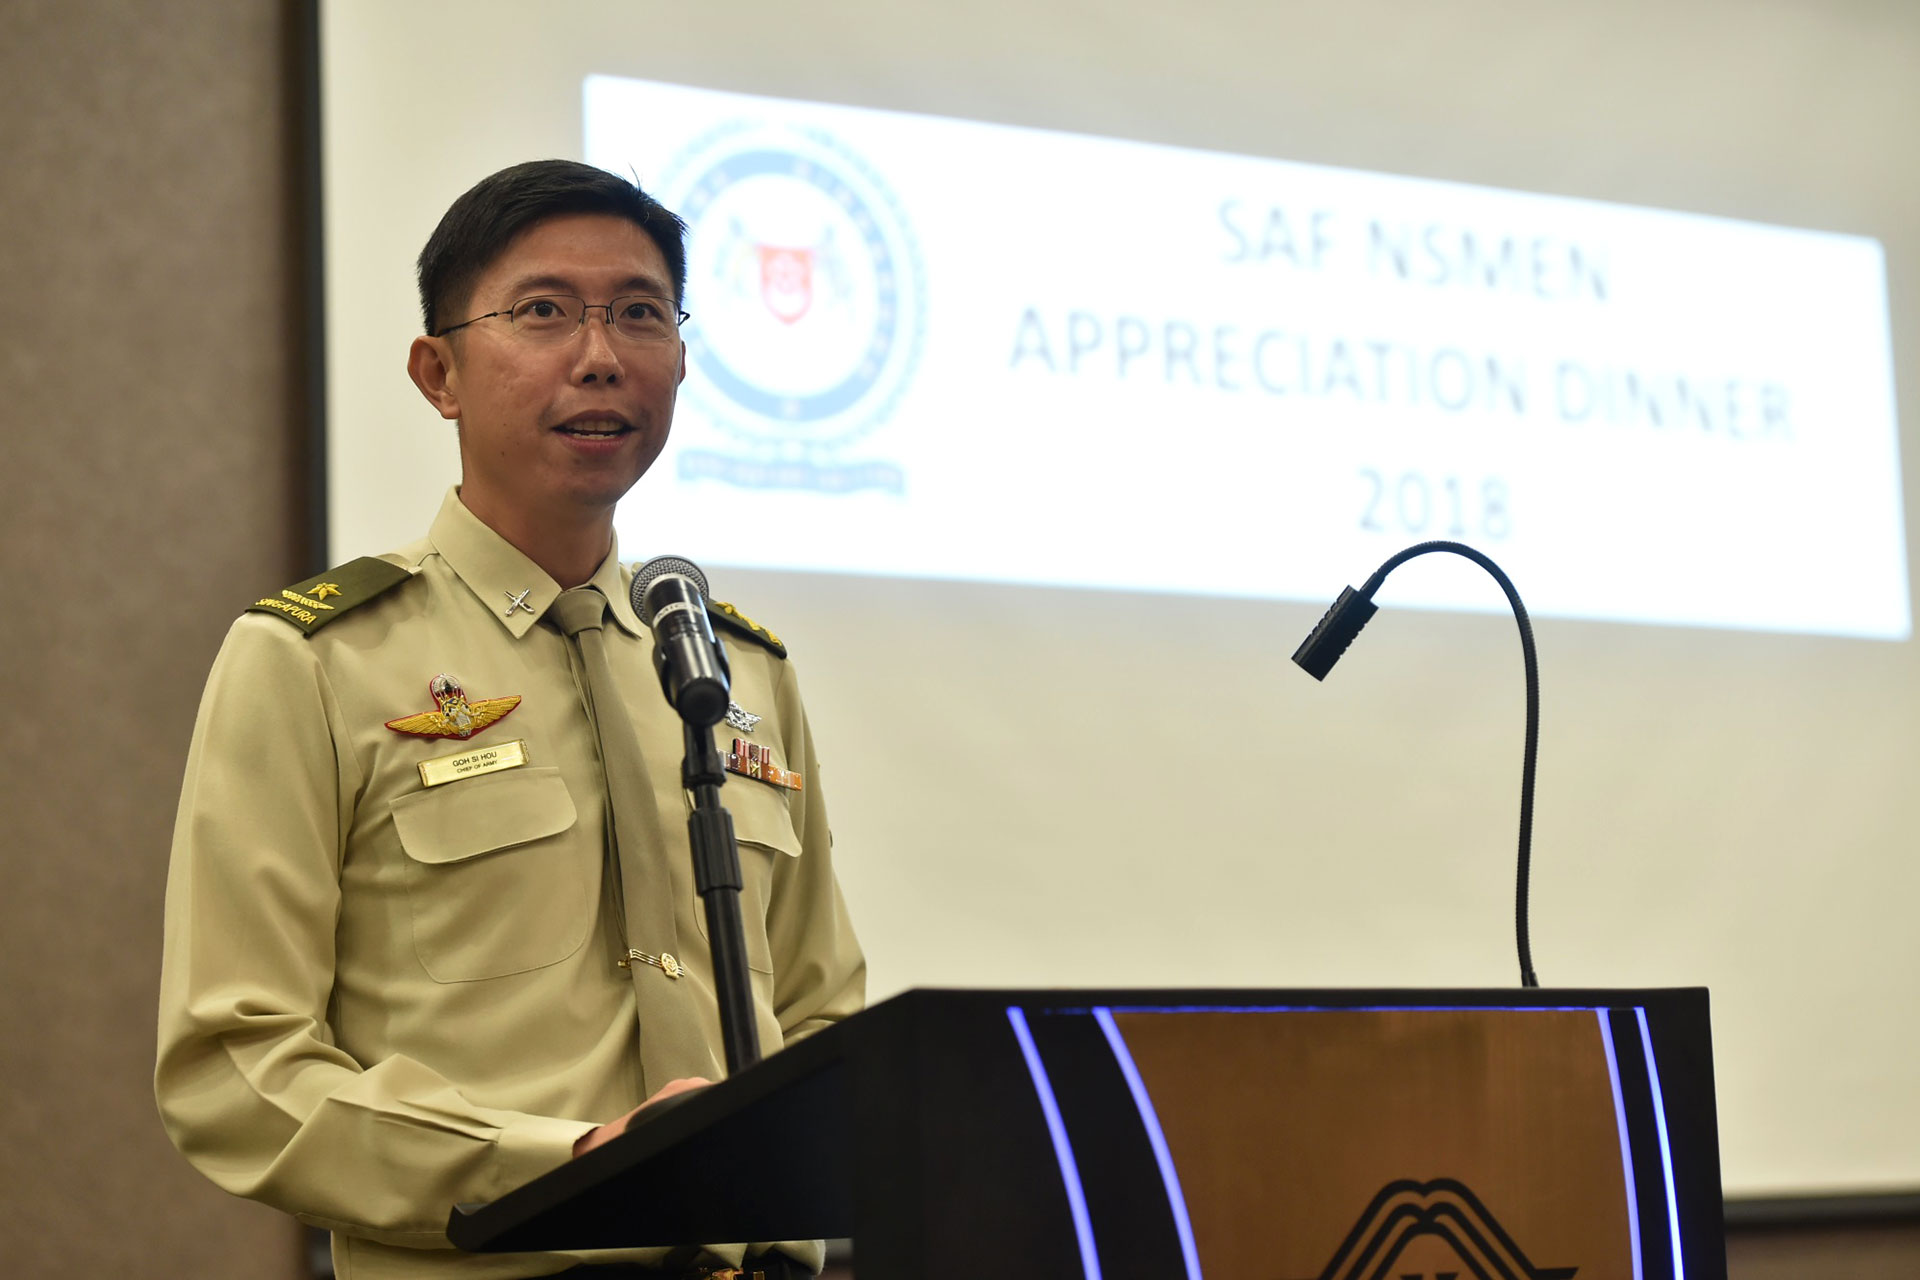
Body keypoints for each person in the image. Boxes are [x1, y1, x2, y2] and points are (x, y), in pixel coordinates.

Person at [156, 160, 865, 1280]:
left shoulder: (732, 670)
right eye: (543, 311)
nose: (601, 354)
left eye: (640, 313)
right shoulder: (315, 662)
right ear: (437, 373)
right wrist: (562, 1163)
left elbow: (822, 1015)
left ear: (683, 361)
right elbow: (237, 1067)